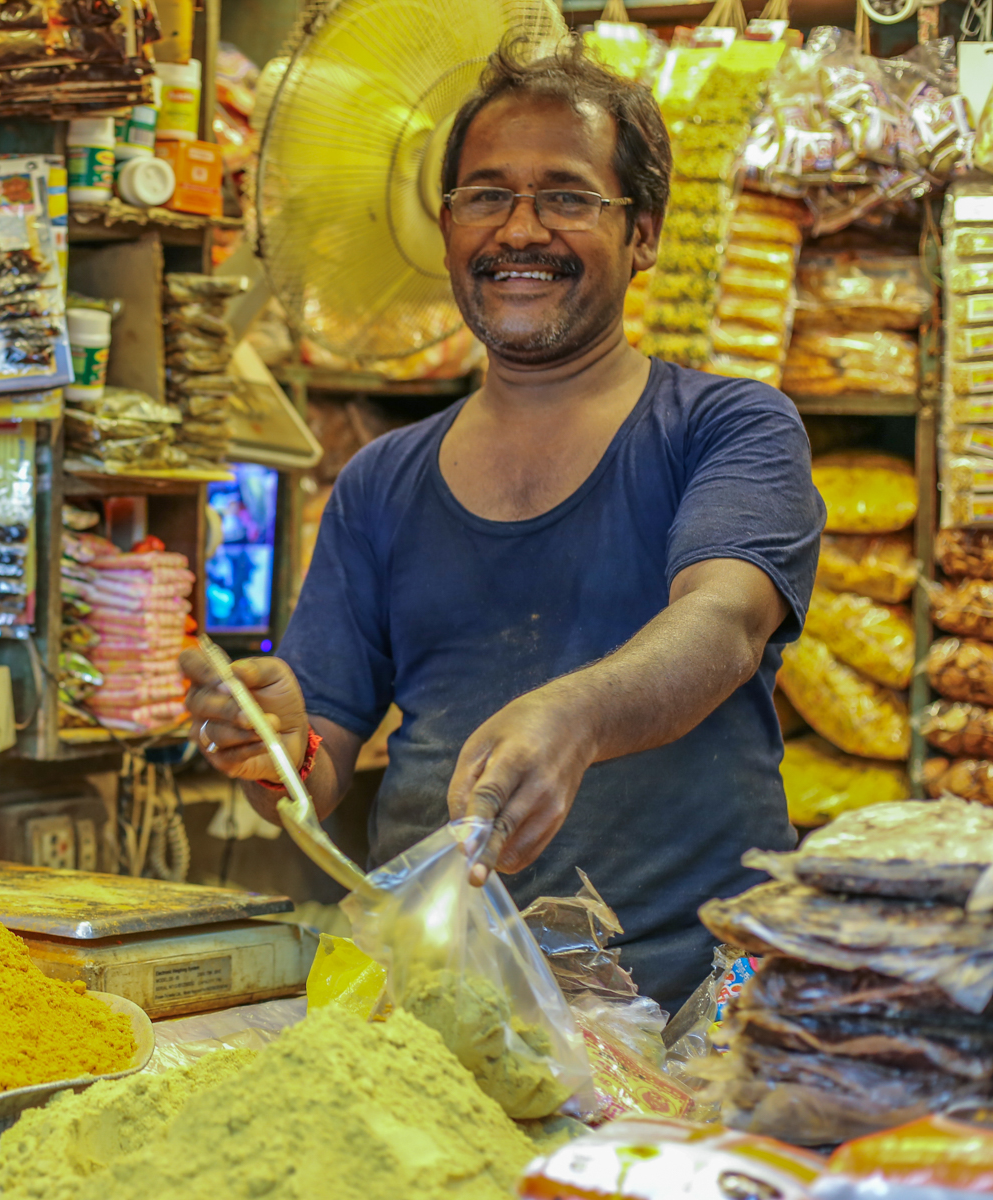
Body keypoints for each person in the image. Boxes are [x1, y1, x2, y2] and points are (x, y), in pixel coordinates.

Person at [181, 39, 824, 1009]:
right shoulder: (379, 481)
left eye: (565, 196)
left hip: (685, 1009)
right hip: (438, 1006)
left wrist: (573, 717)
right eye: (485, 196)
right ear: (445, 228)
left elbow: (725, 626)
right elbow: (317, 772)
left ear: (642, 232)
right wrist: (271, 747)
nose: (519, 229)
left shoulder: (728, 426)